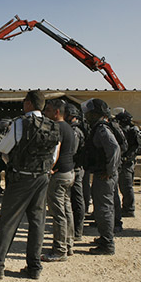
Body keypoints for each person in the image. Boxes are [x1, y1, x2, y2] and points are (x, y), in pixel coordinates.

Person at [0, 90, 59, 280]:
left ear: (30, 103)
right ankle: (34, 267)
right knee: (37, 222)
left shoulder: (20, 123)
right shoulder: (52, 125)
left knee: (8, 222)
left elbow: (3, 149)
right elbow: (53, 157)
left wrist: (13, 164)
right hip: (42, 178)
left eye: (25, 101)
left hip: (21, 179)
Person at [82, 98, 121, 255]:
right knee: (105, 207)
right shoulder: (99, 127)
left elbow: (114, 148)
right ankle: (105, 237)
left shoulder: (102, 129)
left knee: (103, 208)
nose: (87, 116)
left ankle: (107, 243)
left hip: (104, 176)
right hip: (103, 174)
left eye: (90, 113)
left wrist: (109, 170)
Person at [42, 99, 76, 262]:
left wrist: (50, 167)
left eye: (47, 110)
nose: (45, 113)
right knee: (66, 210)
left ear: (56, 112)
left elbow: (55, 150)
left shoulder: (56, 127)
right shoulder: (69, 127)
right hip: (69, 172)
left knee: (58, 214)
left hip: (59, 175)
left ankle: (59, 249)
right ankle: (68, 244)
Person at [65, 103, 87, 241]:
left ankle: (77, 231)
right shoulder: (74, 129)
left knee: (77, 200)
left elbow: (71, 152)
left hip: (75, 169)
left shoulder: (75, 131)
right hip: (75, 168)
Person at [115, 111, 141, 218]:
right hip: (124, 161)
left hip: (127, 162)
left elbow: (136, 147)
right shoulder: (124, 131)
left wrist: (127, 157)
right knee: (124, 186)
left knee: (126, 186)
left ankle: (129, 209)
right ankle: (127, 207)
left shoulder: (131, 131)